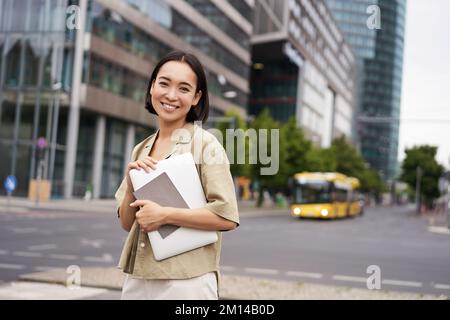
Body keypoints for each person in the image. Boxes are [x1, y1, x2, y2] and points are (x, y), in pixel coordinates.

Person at [114, 50, 239, 300]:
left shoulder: (206, 145)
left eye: (184, 88)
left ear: (196, 97)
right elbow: (128, 223)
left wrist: (165, 215)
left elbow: (227, 217)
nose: (171, 95)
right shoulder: (141, 148)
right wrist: (130, 188)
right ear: (152, 87)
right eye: (164, 84)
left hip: (186, 282)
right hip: (138, 277)